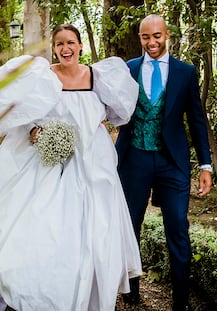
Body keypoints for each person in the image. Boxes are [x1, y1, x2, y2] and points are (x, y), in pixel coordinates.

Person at [0, 24, 142, 311]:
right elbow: (26, 114)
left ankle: (86, 293)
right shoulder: (43, 77)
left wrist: (96, 123)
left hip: (93, 164)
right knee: (45, 228)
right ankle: (43, 292)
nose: (66, 48)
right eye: (60, 43)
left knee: (92, 231)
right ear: (54, 48)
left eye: (71, 43)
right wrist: (36, 134)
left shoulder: (99, 77)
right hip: (49, 166)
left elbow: (119, 114)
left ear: (80, 46)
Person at [116, 14, 212, 311]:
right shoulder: (128, 70)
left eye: (156, 36)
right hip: (134, 159)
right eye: (146, 37)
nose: (152, 42)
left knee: (177, 229)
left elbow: (196, 120)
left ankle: (180, 302)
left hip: (173, 162)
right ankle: (132, 292)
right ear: (140, 38)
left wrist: (205, 166)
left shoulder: (185, 72)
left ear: (166, 34)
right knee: (130, 226)